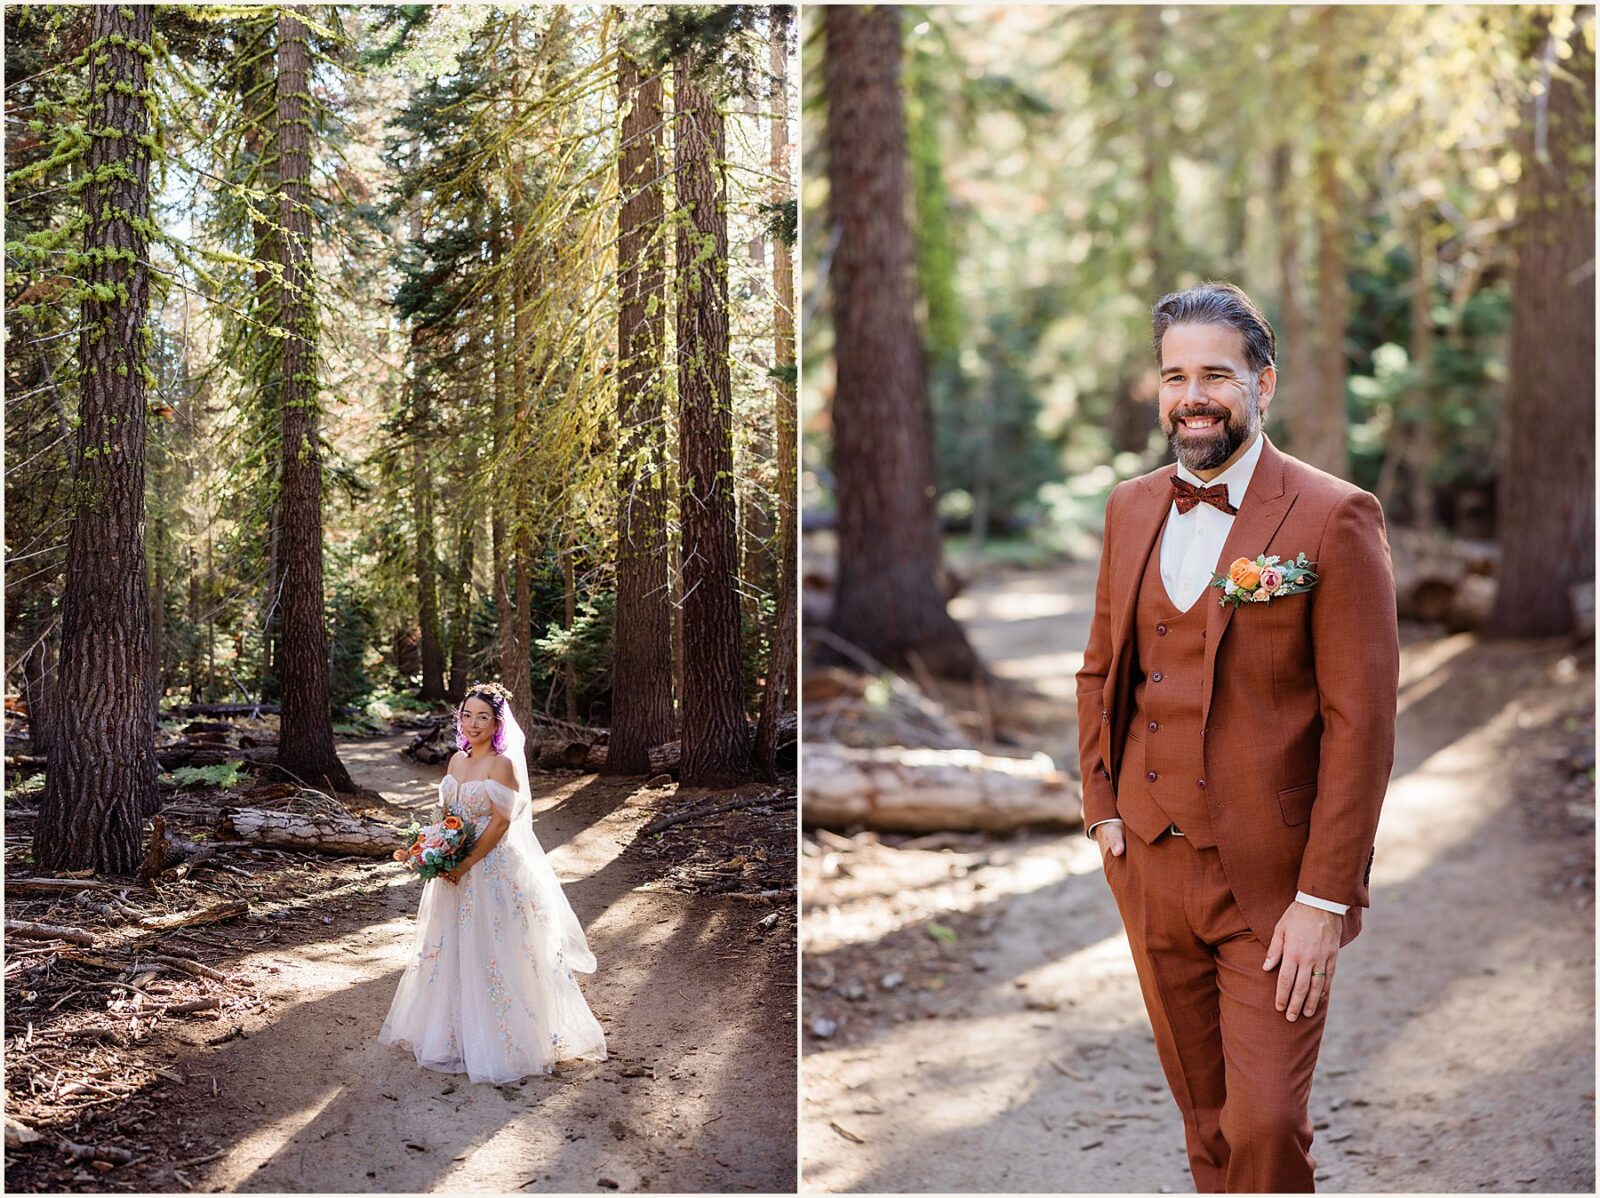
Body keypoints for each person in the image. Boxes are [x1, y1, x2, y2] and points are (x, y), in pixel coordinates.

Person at [1076, 282, 1399, 1192]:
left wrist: (1326, 898)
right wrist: (1105, 815)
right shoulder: (1131, 507)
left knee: (1264, 1126)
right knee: (1206, 1121)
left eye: (1216, 374)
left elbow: (1362, 725)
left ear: (1262, 382)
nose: (1193, 396)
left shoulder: (1335, 516)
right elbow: (1102, 671)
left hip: (1277, 880)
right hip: (1150, 862)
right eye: (1176, 375)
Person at [379, 681, 607, 1083]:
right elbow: (445, 814)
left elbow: (501, 823)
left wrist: (465, 862)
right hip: (453, 868)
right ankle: (455, 1035)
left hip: (489, 867)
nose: (473, 723)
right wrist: (429, 849)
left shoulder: (502, 764)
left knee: (494, 947)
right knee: (451, 947)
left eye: (482, 717)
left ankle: (502, 1040)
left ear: (497, 723)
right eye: (467, 715)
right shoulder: (455, 761)